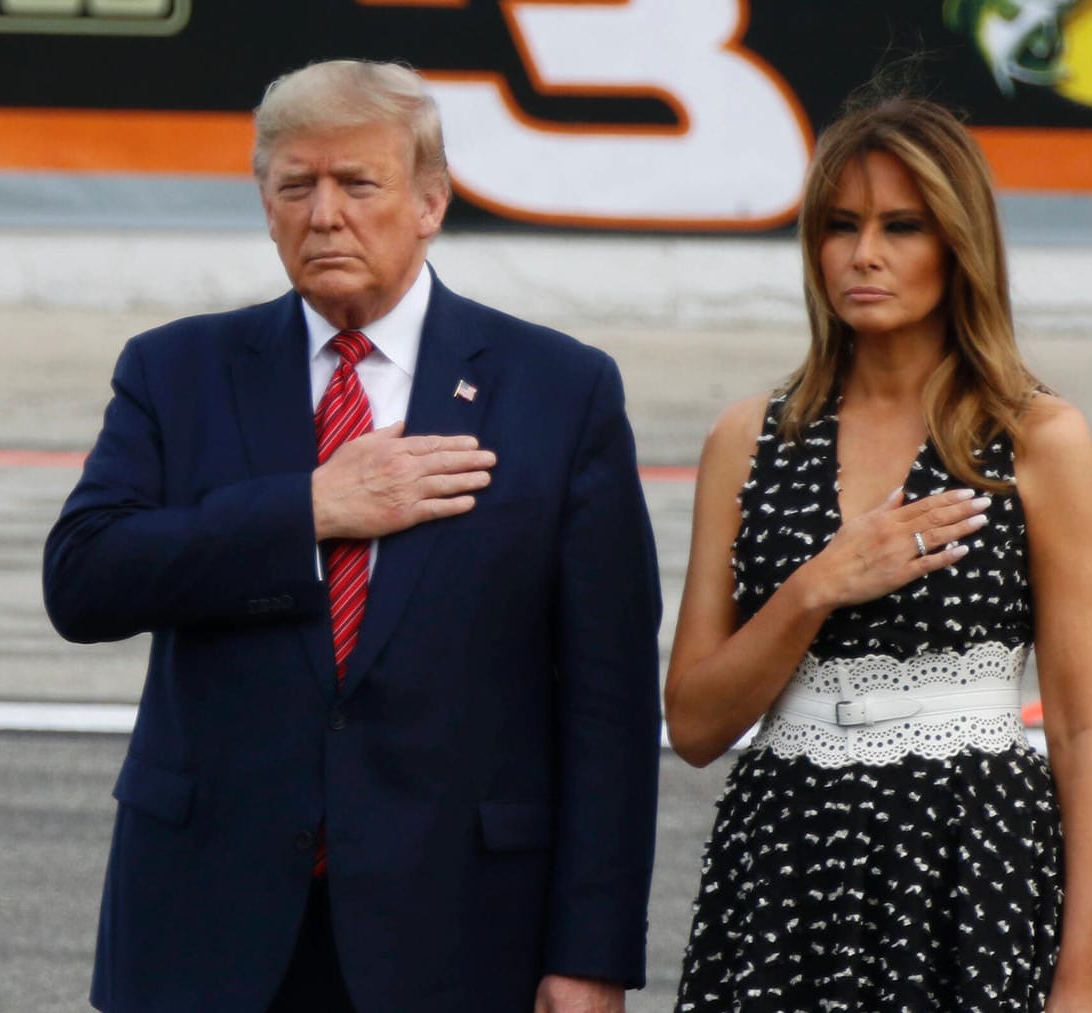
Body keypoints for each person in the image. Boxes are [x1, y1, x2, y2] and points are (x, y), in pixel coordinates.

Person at [43, 59, 663, 1013]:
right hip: (208, 931)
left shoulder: (559, 389)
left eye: (356, 183)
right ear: (265, 202)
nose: (324, 213)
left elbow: (608, 703)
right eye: (296, 185)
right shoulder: (176, 370)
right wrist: (308, 510)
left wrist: (592, 953)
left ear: (428, 203)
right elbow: (83, 579)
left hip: (460, 931)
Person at [663, 95, 1092, 1011]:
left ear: (958, 246)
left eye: (900, 226)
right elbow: (696, 726)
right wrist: (819, 585)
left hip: (971, 861)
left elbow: (1080, 731)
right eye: (840, 226)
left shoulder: (1038, 437)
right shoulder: (746, 438)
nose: (862, 254)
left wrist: (1075, 980)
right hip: (782, 862)